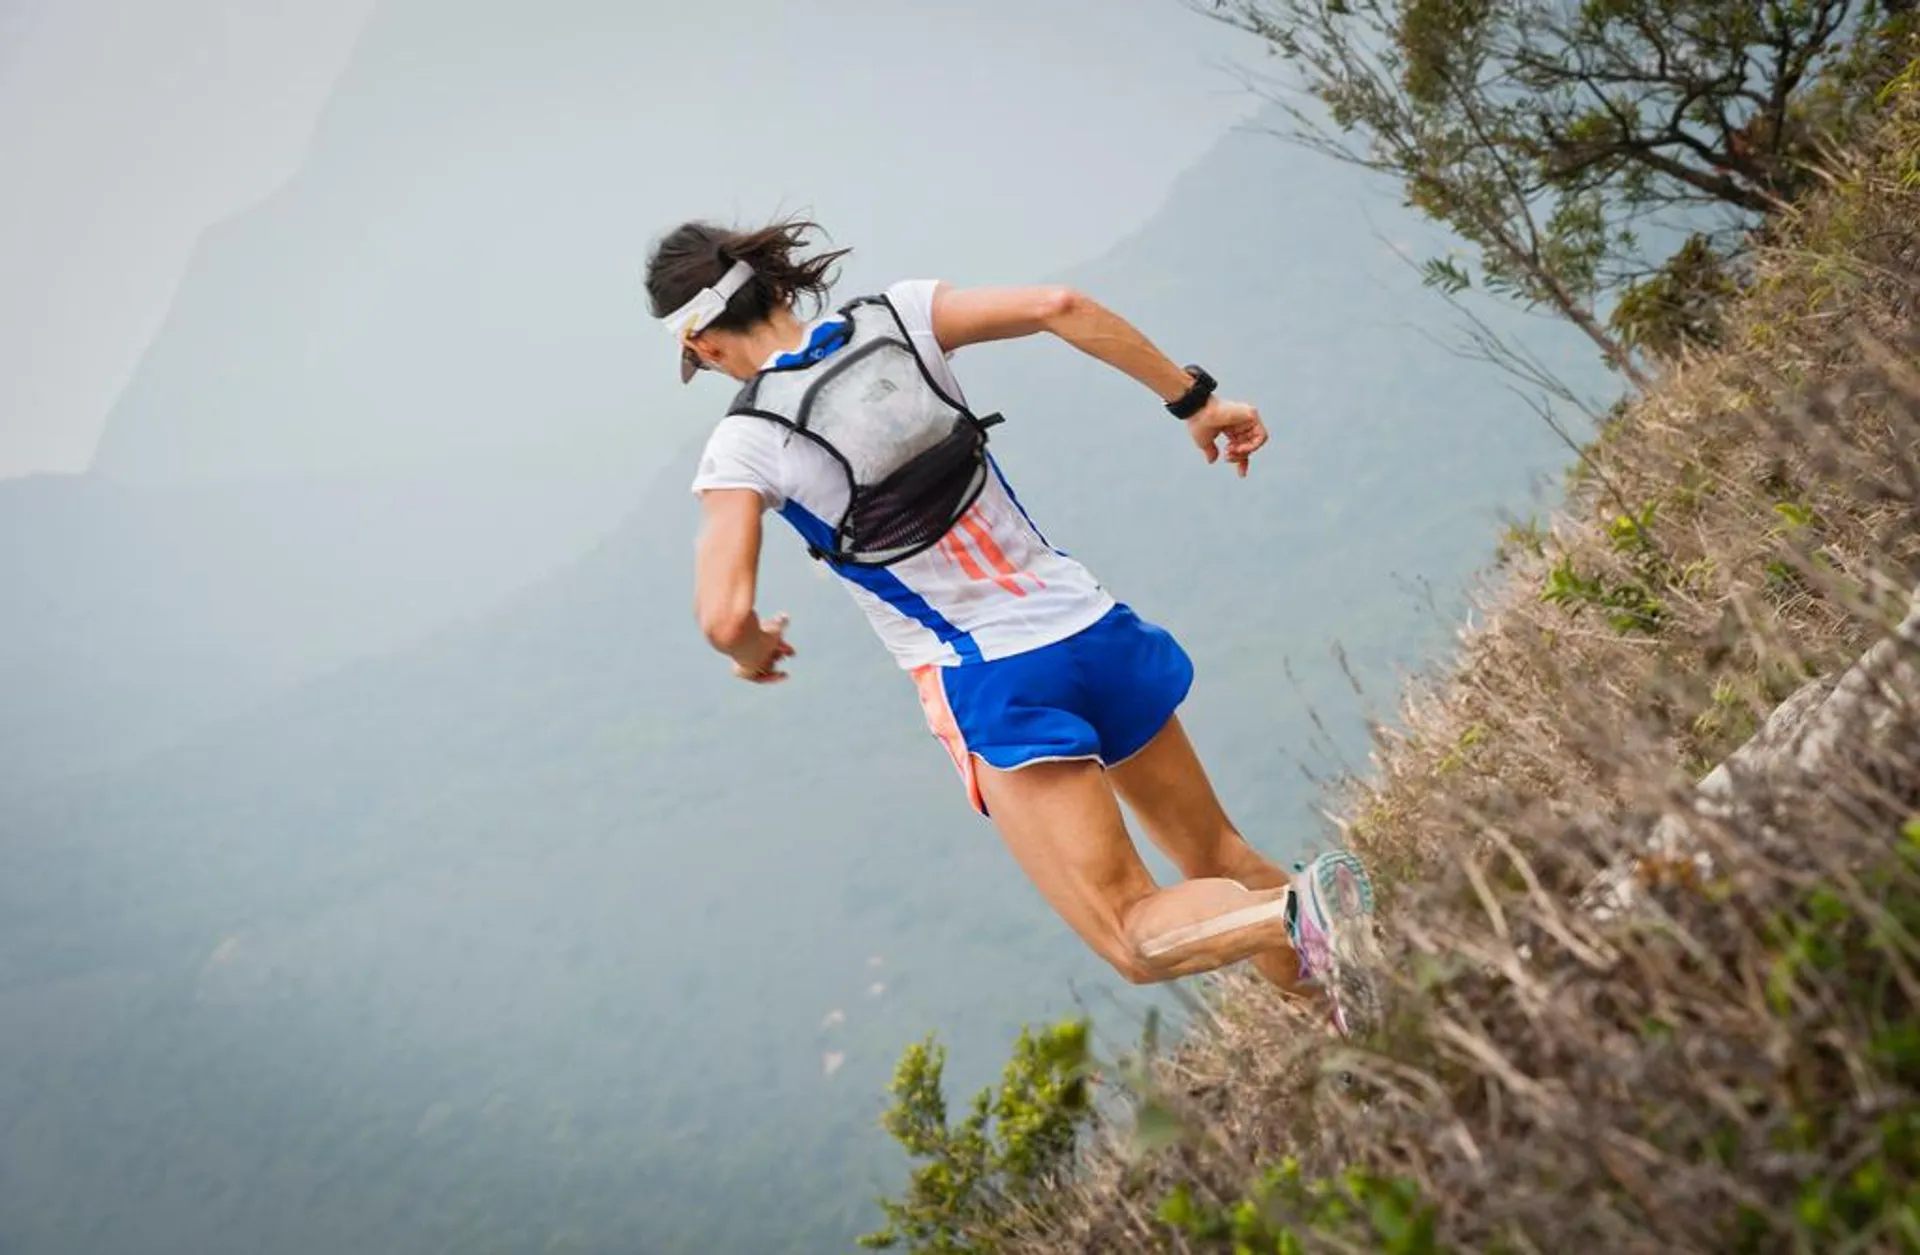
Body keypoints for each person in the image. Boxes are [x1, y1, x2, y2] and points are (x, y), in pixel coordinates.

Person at [644, 215, 1380, 1035]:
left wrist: (754, 650)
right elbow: (1059, 304)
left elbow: (724, 614)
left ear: (704, 345)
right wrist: (1196, 402)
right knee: (1217, 860)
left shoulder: (745, 443)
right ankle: (1367, 1016)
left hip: (997, 681)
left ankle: (1297, 912)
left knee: (1133, 933)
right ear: (777, 285)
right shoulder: (901, 315)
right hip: (1093, 626)